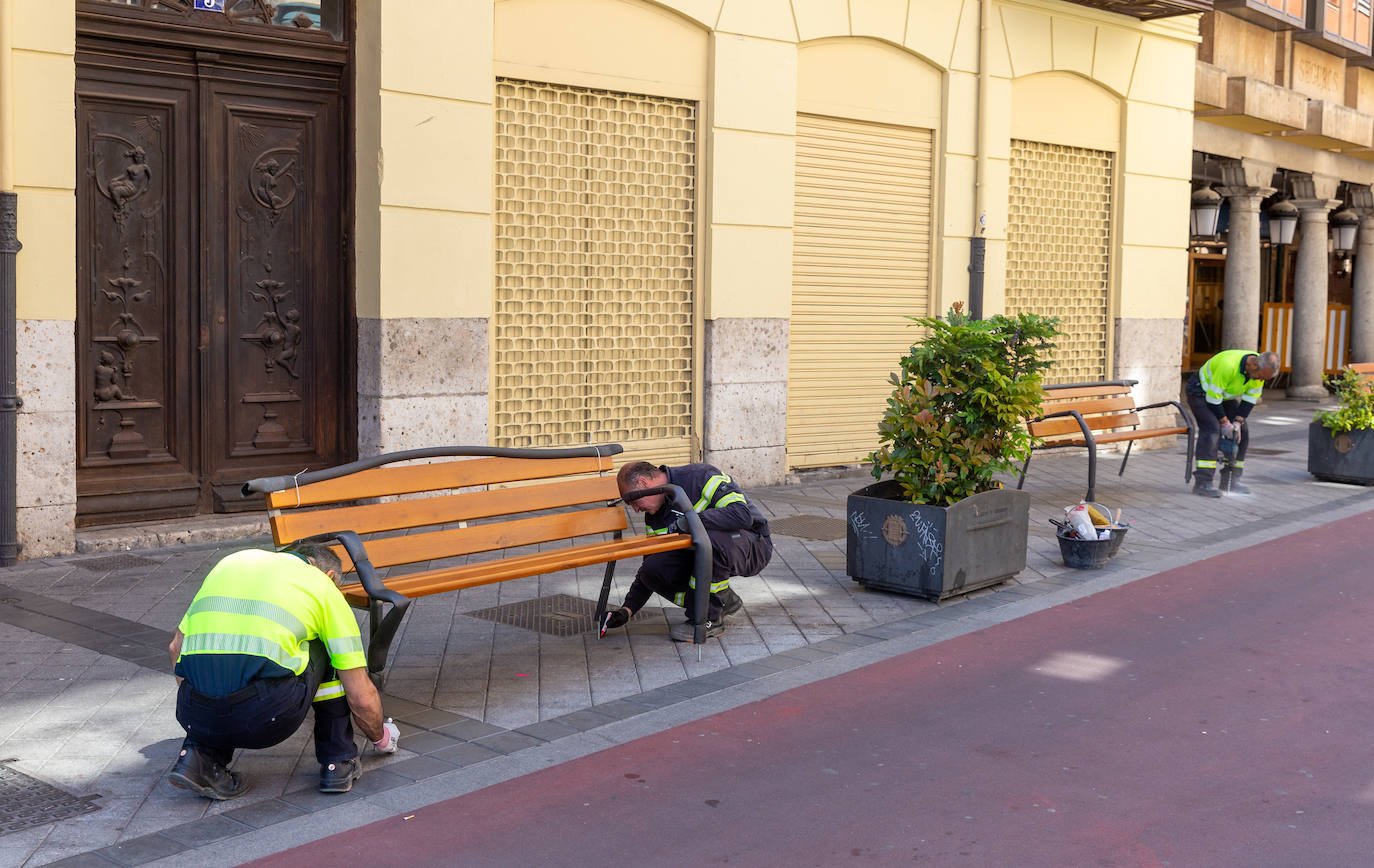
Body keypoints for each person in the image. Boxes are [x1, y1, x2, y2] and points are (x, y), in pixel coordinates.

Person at [166, 544, 400, 799]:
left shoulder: (230, 563)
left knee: (217, 673)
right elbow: (360, 696)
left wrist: (209, 706)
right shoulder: (320, 585)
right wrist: (382, 739)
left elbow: (175, 648)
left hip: (192, 712)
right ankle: (338, 761)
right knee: (329, 648)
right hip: (266, 718)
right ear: (330, 576)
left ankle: (197, 757)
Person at [602, 461, 772, 643]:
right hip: (716, 550)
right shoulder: (654, 516)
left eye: (634, 501)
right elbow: (649, 570)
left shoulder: (700, 476)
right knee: (655, 567)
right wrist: (627, 610)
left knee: (710, 540)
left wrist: (691, 521)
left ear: (644, 483)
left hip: (753, 544)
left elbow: (741, 515)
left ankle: (708, 619)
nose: (635, 509)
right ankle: (723, 600)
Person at [1185, 349, 1280, 498]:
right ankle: (1203, 483)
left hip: (1223, 397)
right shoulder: (1228, 365)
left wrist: (1237, 423)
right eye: (1261, 377)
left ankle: (1231, 480)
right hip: (1200, 393)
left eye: (1265, 379)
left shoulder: (1259, 373)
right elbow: (1213, 398)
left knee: (1243, 433)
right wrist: (1225, 423)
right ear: (1253, 365)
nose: (1261, 381)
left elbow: (1249, 400)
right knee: (1212, 430)